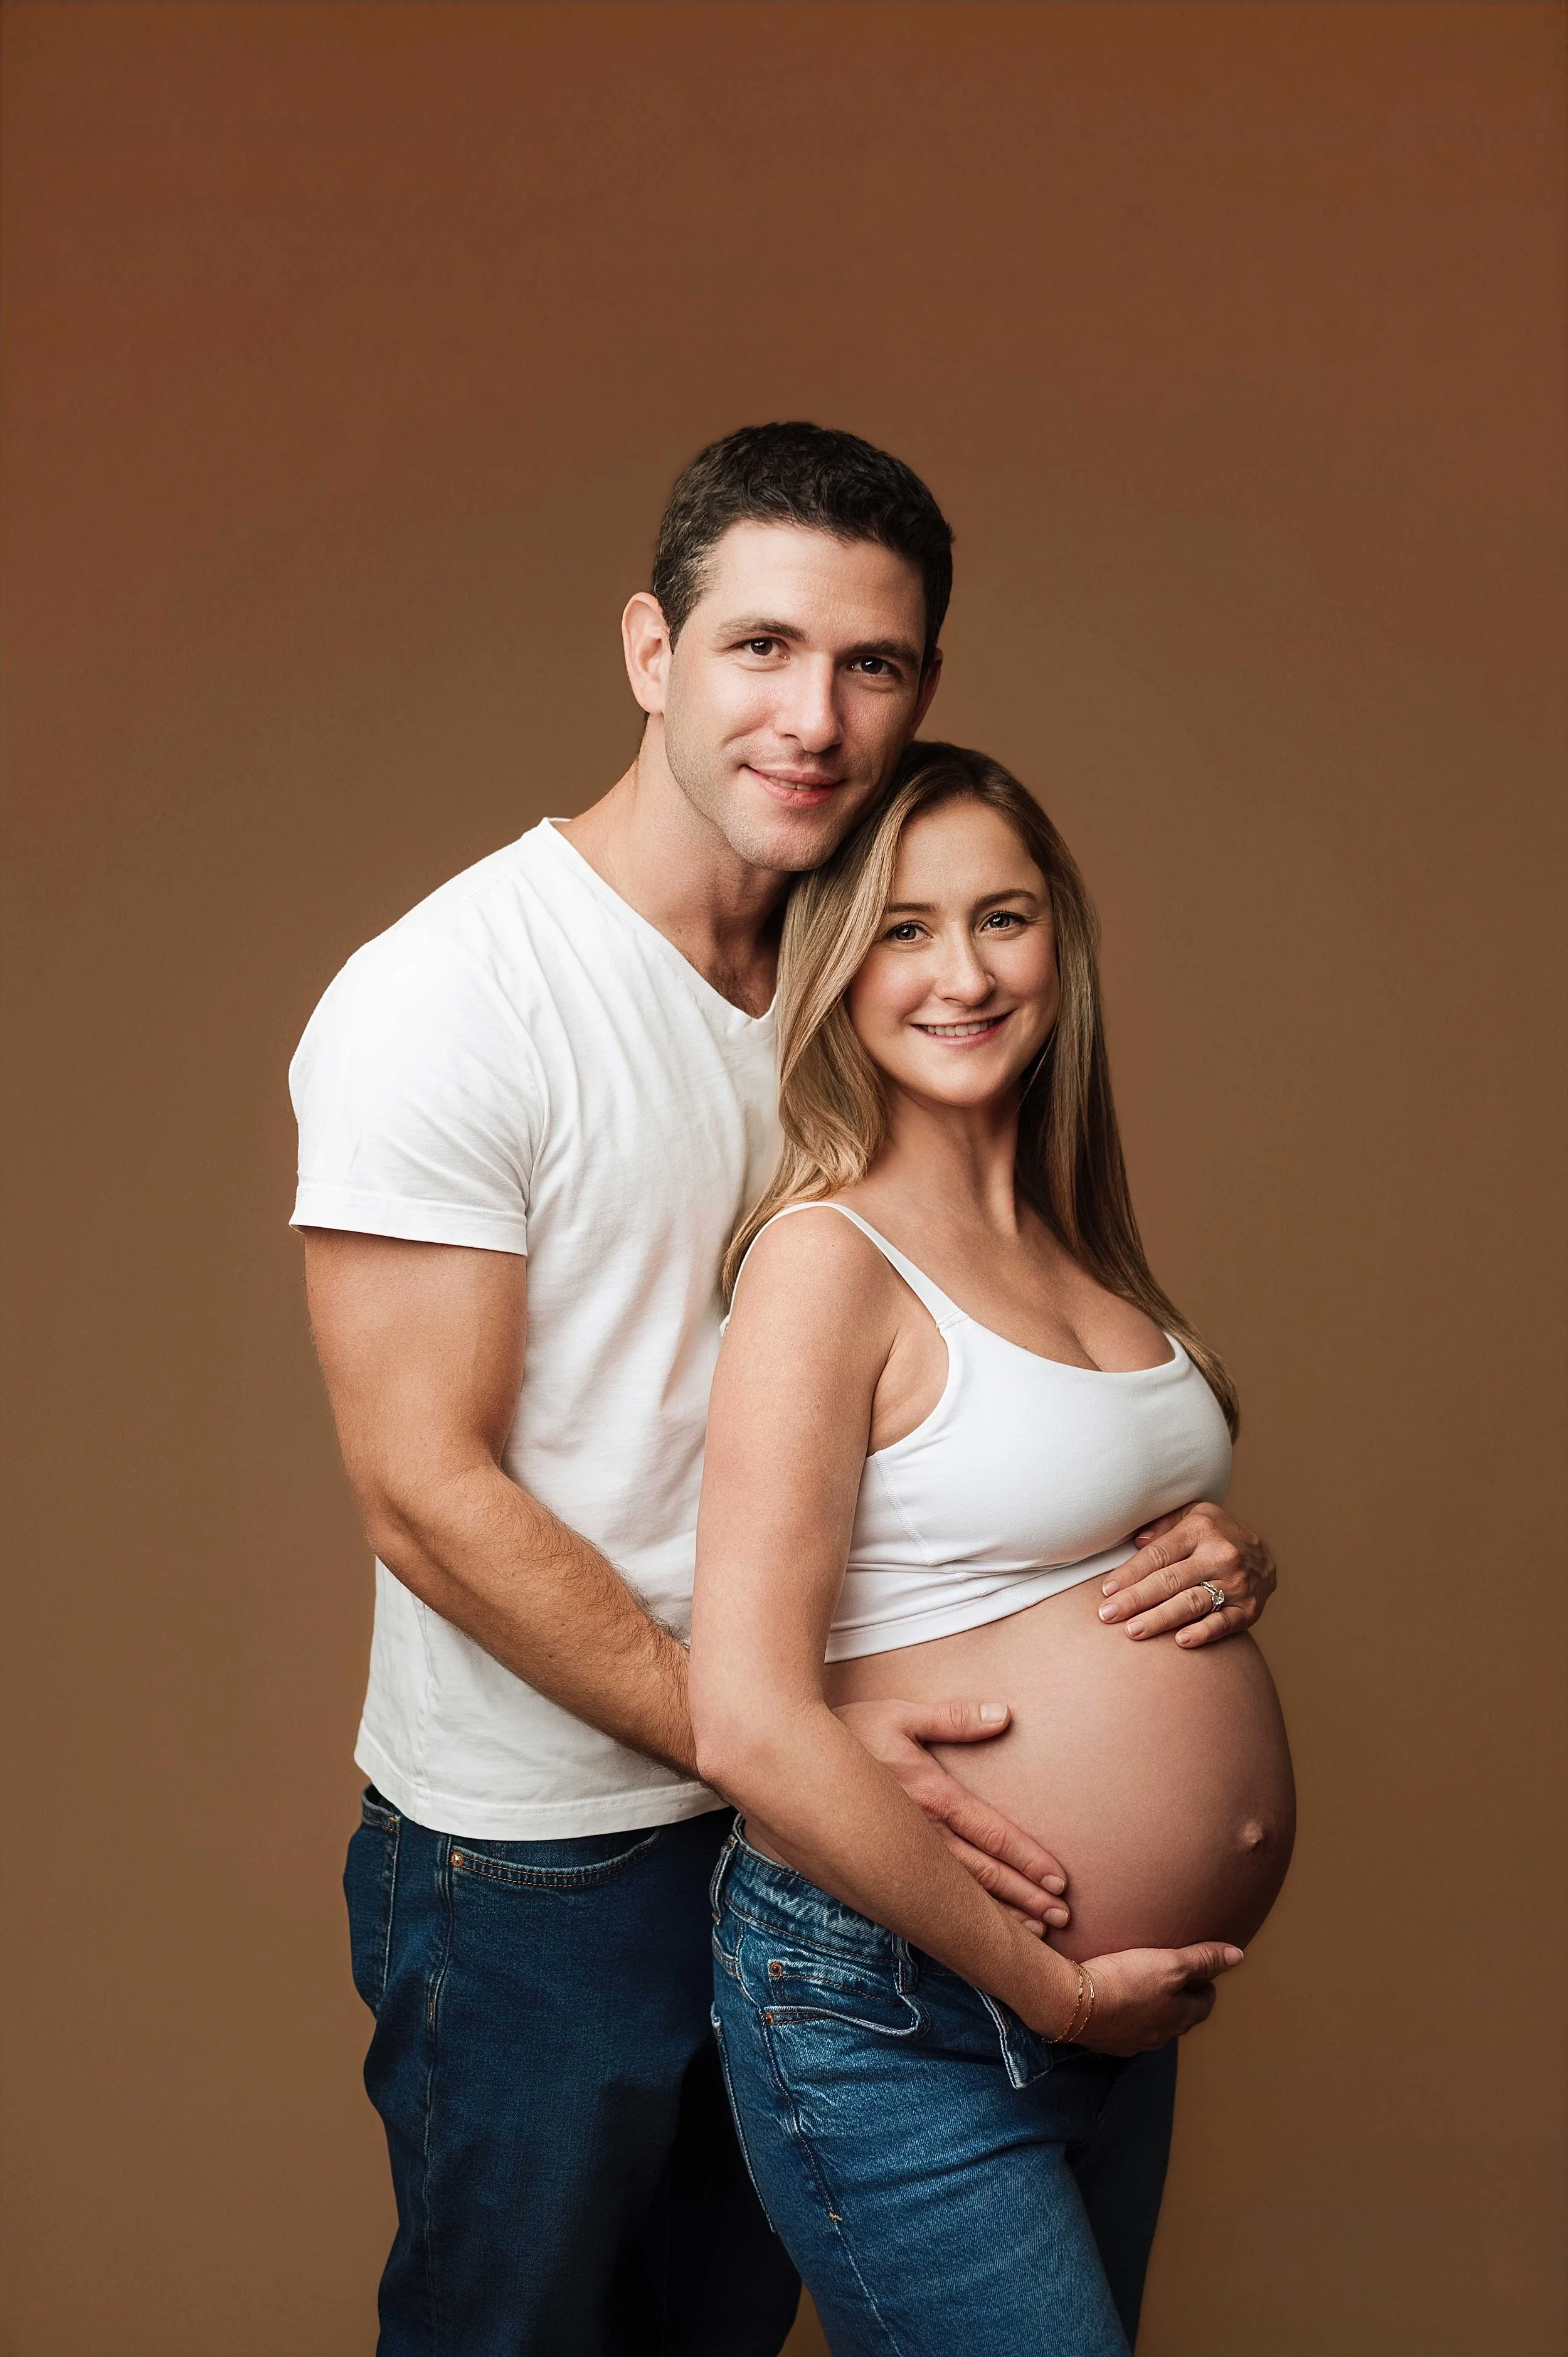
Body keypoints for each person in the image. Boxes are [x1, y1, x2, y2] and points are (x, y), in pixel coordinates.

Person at [291, 425, 1279, 2354]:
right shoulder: (455, 995)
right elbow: (424, 1489)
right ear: (650, 651)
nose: (812, 717)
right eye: (759, 648)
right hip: (546, 1847)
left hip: (822, 1837)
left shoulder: (868, 972)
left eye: (871, 666)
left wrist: (1166, 1543)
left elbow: (966, 1370)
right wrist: (766, 1740)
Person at [691, 744, 1294, 2357]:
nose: (960, 973)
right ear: (835, 967)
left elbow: (1058, 1535)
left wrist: (1229, 1569)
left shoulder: (1080, 1244)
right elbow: (745, 1717)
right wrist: (1047, 1992)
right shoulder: (827, 1260)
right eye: (901, 928)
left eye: (1001, 917)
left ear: (1058, 943)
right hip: (904, 1999)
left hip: (1103, 2007)